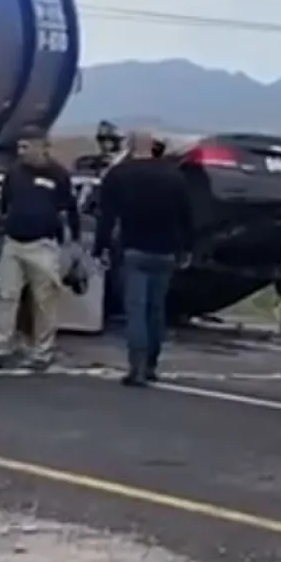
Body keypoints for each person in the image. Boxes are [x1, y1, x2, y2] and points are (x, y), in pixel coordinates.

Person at [93, 130, 193, 387]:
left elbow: (106, 216)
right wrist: (187, 249)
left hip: (134, 249)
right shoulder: (174, 176)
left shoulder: (119, 175)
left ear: (130, 146)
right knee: (156, 309)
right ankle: (151, 363)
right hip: (166, 251)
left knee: (136, 309)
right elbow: (186, 217)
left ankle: (136, 365)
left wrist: (100, 248)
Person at [0, 125, 81, 370]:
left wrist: (74, 243)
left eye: (26, 146)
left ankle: (42, 351)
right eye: (19, 147)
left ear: (42, 145)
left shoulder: (58, 174)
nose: (21, 152)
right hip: (14, 243)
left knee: (44, 300)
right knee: (6, 296)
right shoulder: (14, 172)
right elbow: (5, 204)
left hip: (43, 244)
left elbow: (69, 208)